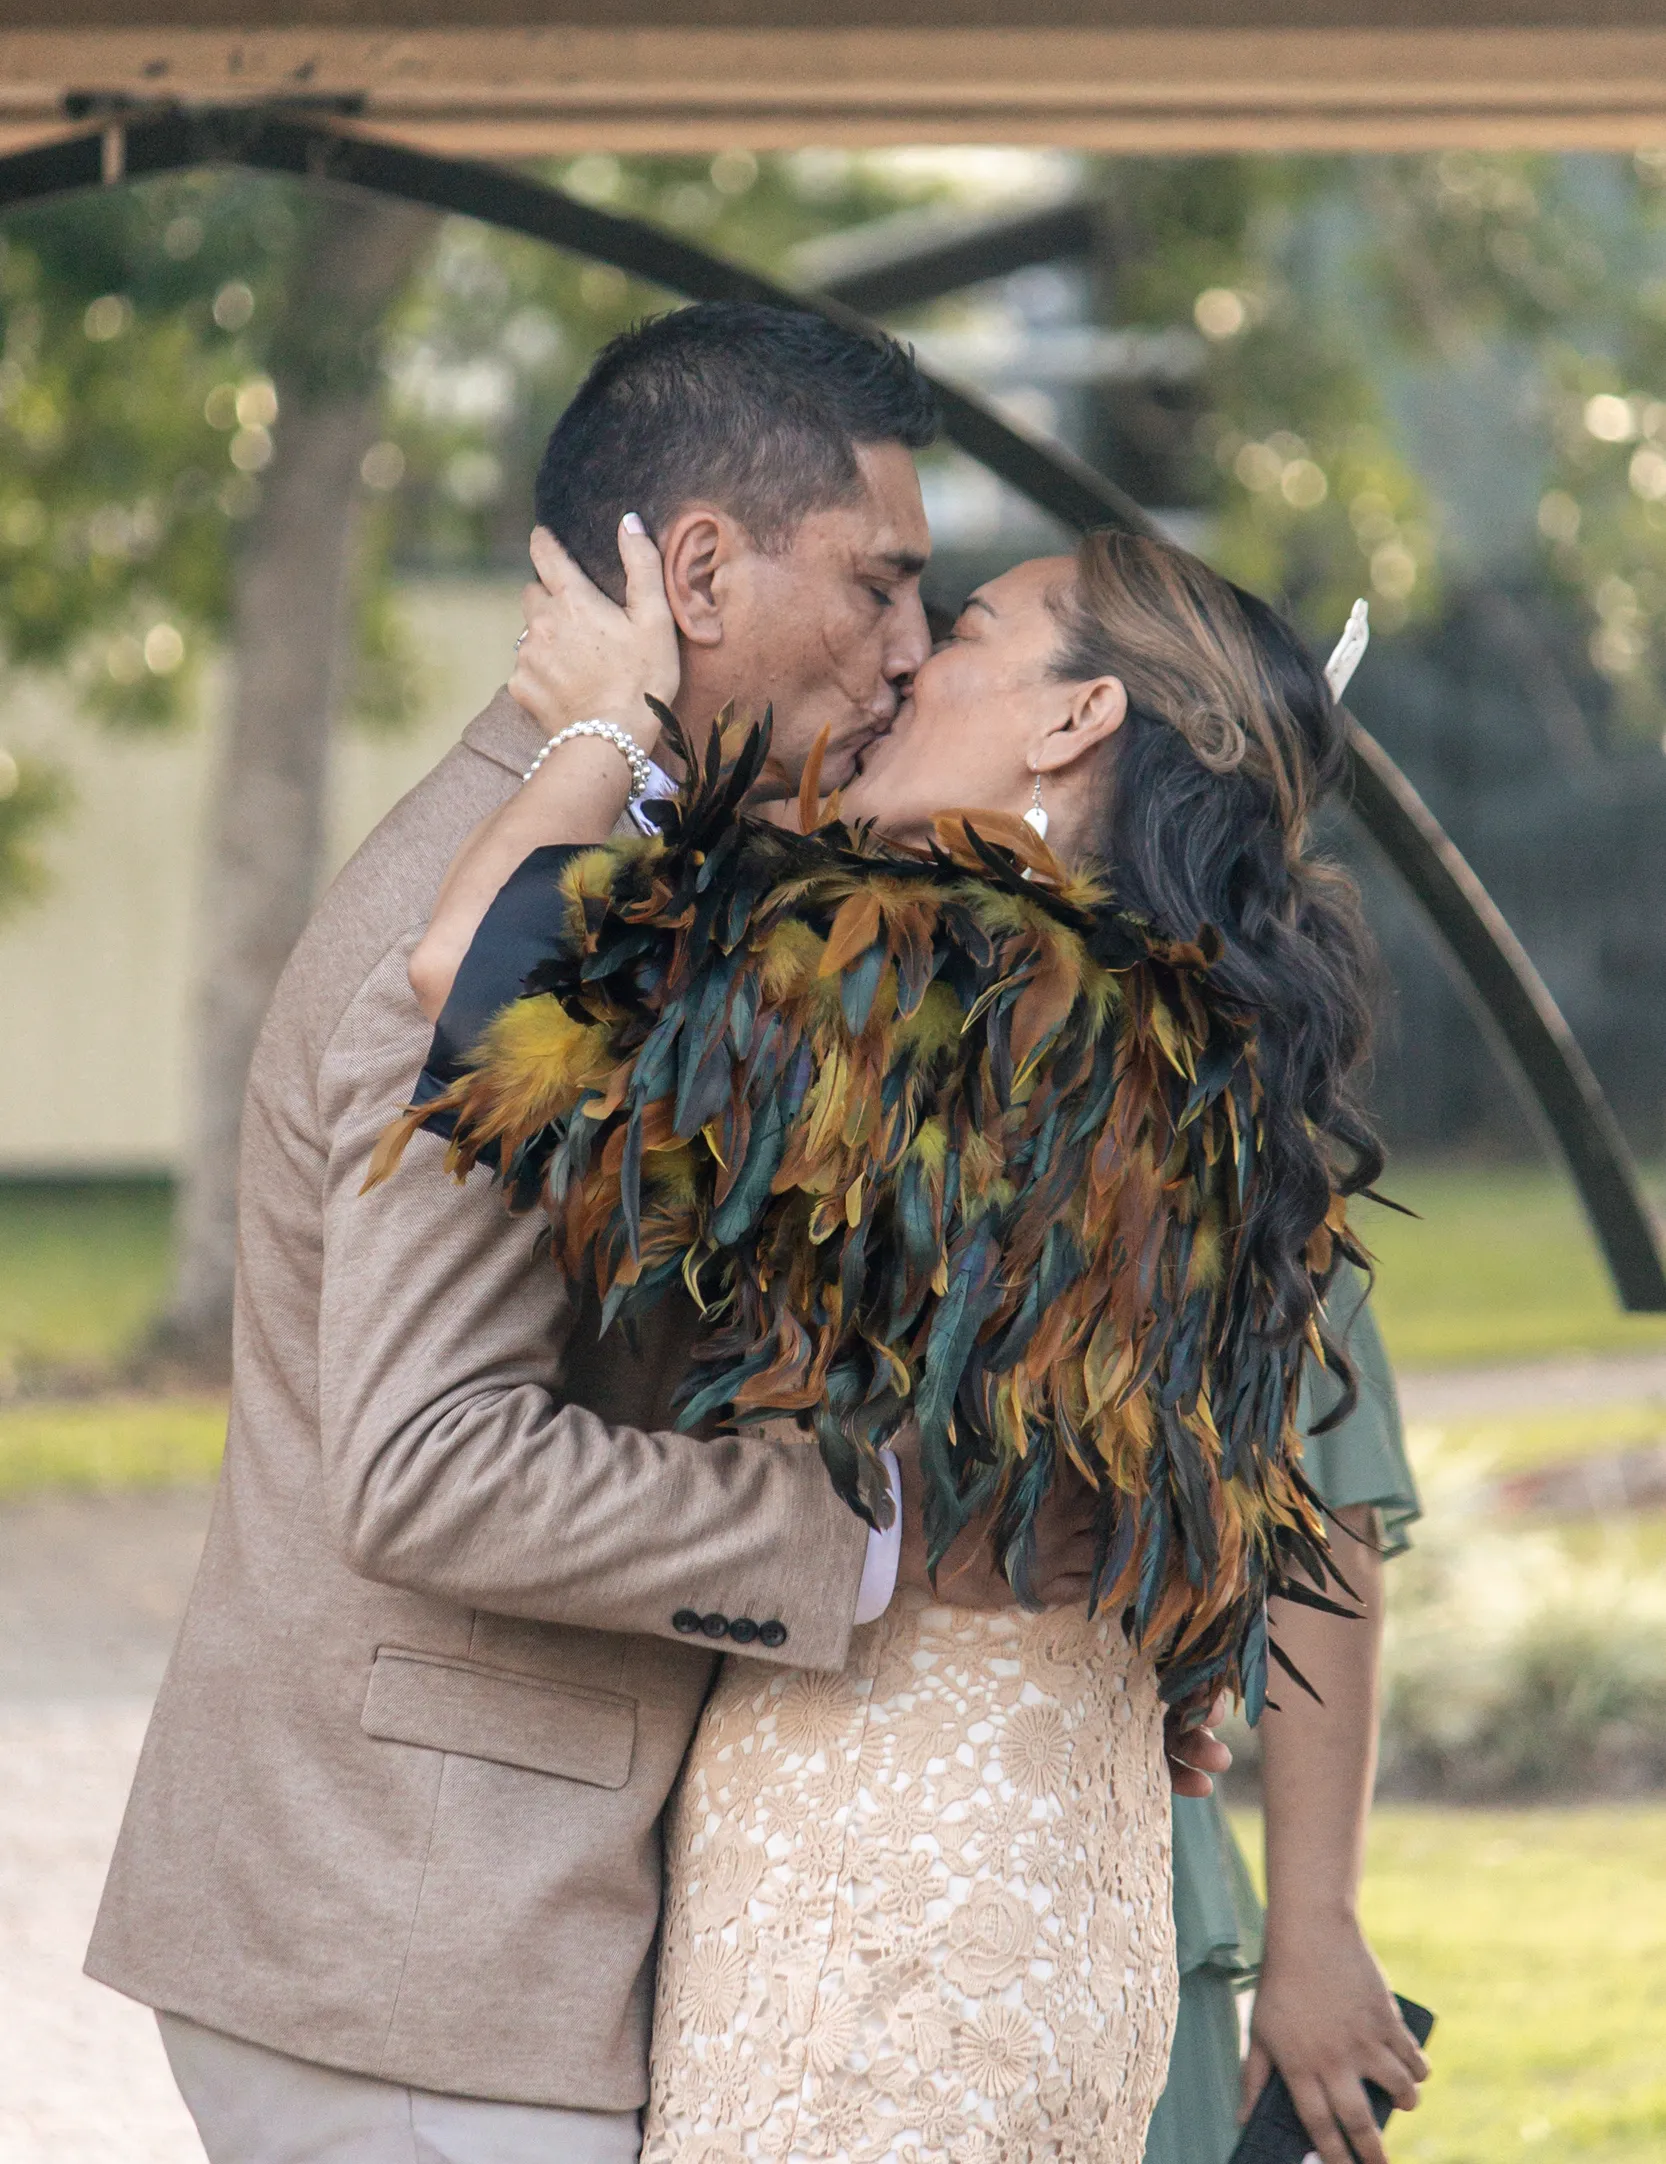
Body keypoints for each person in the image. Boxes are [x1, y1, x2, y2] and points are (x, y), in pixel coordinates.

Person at [85, 303, 1216, 2164]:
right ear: (700, 570)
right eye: (880, 586)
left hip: (536, 1940)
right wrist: (872, 1549)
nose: (907, 649)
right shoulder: (489, 935)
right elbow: (430, 1469)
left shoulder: (734, 910)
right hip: (423, 1953)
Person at [401, 497, 1428, 2163]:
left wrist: (609, 712)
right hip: (1074, 1878)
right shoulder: (1200, 1065)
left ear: (1078, 716)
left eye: (967, 637)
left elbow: (466, 975)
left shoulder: (913, 987)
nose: (907, 669)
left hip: (876, 1882)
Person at [1145, 1265, 1423, 2164]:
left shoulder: (1242, 1166)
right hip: (765, 1851)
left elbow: (1313, 1557)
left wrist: (1316, 1924)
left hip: (1124, 1857)